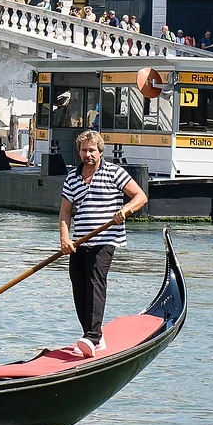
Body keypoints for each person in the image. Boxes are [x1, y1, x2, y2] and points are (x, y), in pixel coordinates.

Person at [59, 130, 147, 357]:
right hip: (81, 242)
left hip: (106, 239)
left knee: (95, 281)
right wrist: (65, 240)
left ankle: (91, 337)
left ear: (100, 151)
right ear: (79, 151)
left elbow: (140, 197)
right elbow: (65, 213)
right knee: (79, 285)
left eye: (91, 150)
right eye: (83, 150)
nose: (87, 154)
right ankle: (93, 335)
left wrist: (125, 211)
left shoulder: (114, 173)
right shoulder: (72, 178)